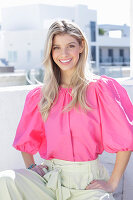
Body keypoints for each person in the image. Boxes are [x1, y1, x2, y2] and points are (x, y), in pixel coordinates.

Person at [0, 19, 133, 200]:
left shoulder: (100, 90)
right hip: (48, 180)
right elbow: (26, 141)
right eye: (56, 47)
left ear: (81, 46)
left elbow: (125, 139)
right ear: (50, 51)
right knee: (5, 180)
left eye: (70, 45)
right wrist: (32, 167)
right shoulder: (41, 95)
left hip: (87, 183)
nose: (64, 53)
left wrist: (112, 182)